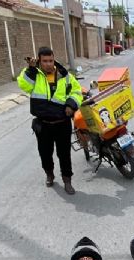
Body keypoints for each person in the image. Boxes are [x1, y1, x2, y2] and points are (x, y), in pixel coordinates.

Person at [18, 46, 84, 195]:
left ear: (54, 59)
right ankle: (49, 174)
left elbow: (77, 91)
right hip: (43, 124)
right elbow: (24, 85)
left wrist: (71, 104)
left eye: (51, 60)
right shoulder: (34, 74)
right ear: (39, 62)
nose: (48, 64)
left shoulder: (64, 74)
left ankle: (67, 180)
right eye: (45, 61)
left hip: (62, 123)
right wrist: (31, 69)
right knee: (45, 153)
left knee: (64, 154)